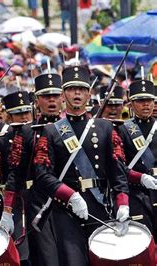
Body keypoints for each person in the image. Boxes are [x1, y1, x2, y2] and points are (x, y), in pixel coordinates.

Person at [33, 65, 130, 265]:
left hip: (101, 204)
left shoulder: (104, 127)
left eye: (82, 89)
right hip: (67, 209)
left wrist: (122, 203)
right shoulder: (51, 131)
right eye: (71, 89)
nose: (77, 93)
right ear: (63, 95)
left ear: (89, 94)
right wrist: (71, 196)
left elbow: (117, 171)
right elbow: (42, 174)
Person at [0, 73, 63, 266]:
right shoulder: (27, 131)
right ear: (36, 100)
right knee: (46, 258)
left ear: (62, 98)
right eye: (45, 96)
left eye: (55, 95)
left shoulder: (73, 128)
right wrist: (7, 211)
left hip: (72, 201)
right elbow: (15, 173)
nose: (51, 100)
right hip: (38, 203)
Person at [0, 90, 33, 264]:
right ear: (8, 117)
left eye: (26, 112)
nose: (24, 117)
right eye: (18, 114)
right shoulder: (1, 142)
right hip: (13, 203)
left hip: (38, 199)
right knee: (21, 255)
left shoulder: (40, 135)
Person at [117, 79, 157, 237]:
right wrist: (139, 178)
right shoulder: (122, 130)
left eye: (149, 100)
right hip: (138, 194)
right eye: (140, 101)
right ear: (131, 104)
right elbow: (118, 168)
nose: (146, 104)